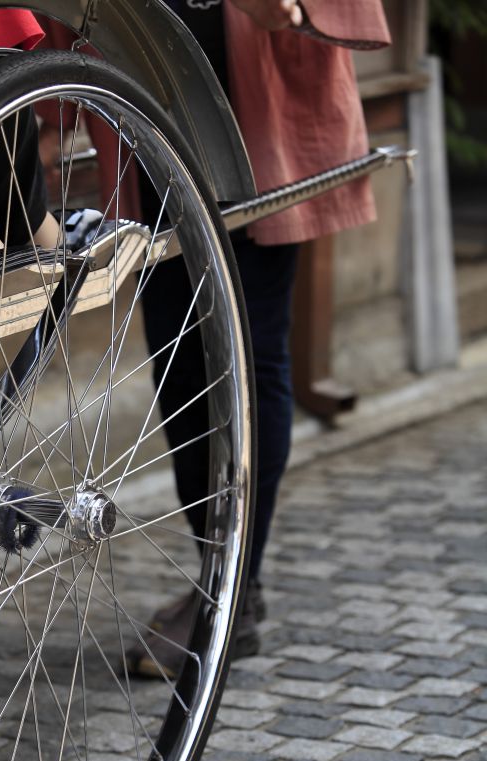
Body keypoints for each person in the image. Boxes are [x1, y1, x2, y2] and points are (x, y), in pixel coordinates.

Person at [127, 0, 390, 675]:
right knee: (176, 360)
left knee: (247, 351)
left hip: (255, 103)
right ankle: (224, 577)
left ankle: (231, 589)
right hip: (149, 94)